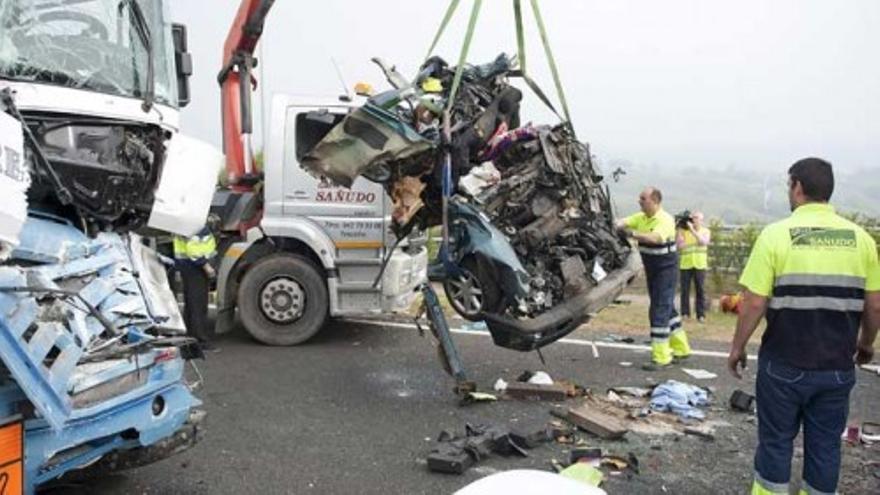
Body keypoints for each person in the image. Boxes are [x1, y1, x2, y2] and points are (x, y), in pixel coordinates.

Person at [728, 158, 880, 495]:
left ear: (797, 187)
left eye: (788, 185)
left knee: (775, 443)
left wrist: (738, 347)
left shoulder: (776, 235)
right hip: (837, 366)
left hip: (784, 363)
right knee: (826, 447)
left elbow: (754, 302)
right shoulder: (862, 239)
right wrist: (867, 343)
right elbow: (874, 305)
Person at [617, 187, 692, 370]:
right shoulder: (641, 217)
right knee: (667, 309)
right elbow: (622, 222)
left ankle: (661, 357)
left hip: (666, 269)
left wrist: (632, 234)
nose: (639, 201)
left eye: (643, 198)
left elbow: (656, 238)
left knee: (659, 309)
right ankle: (681, 349)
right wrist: (614, 224)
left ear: (655, 201)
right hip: (653, 269)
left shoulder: (665, 219)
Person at [173, 217, 218, 350]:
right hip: (196, 268)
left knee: (191, 304)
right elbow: (193, 250)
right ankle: (200, 341)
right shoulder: (195, 223)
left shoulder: (185, 221)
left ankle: (190, 339)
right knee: (198, 305)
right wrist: (206, 267)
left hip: (187, 267)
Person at [677, 211, 711, 322]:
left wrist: (692, 231)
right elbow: (680, 246)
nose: (694, 220)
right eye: (693, 218)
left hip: (700, 264)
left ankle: (700, 314)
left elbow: (703, 242)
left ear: (701, 220)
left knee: (700, 290)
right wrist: (692, 242)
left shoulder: (706, 231)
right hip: (686, 264)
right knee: (685, 290)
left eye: (697, 218)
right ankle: (685, 313)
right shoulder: (682, 231)